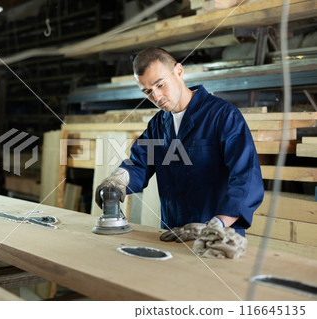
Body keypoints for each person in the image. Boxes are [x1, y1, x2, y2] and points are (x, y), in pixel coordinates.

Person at [95, 47, 264, 242]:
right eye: (148, 92)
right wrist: (118, 180)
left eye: (160, 85)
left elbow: (247, 178)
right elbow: (139, 163)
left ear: (179, 71)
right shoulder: (158, 125)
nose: (156, 97)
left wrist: (216, 225)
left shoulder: (223, 116)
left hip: (217, 239)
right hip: (172, 235)